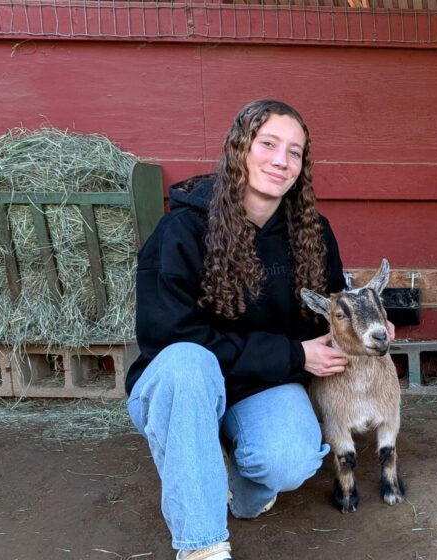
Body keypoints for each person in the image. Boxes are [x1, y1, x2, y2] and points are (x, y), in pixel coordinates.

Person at [125, 99, 357, 560]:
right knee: (189, 362)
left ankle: (236, 488)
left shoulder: (311, 232)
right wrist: (294, 355)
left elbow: (331, 307)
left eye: (294, 152)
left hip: (260, 383)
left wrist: (365, 325)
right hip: (181, 387)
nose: (281, 160)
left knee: (290, 459)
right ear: (239, 149)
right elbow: (168, 339)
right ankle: (203, 546)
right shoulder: (182, 229)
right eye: (268, 144)